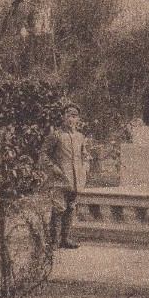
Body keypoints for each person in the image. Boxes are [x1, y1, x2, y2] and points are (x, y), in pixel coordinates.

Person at [42, 104, 89, 249]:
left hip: (75, 180)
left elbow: (85, 155)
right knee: (58, 209)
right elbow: (43, 155)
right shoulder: (56, 135)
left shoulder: (80, 137)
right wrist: (54, 169)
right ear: (63, 117)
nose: (71, 118)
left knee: (70, 208)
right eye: (68, 115)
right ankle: (53, 241)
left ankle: (65, 239)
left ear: (78, 119)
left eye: (74, 115)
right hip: (59, 180)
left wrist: (85, 168)